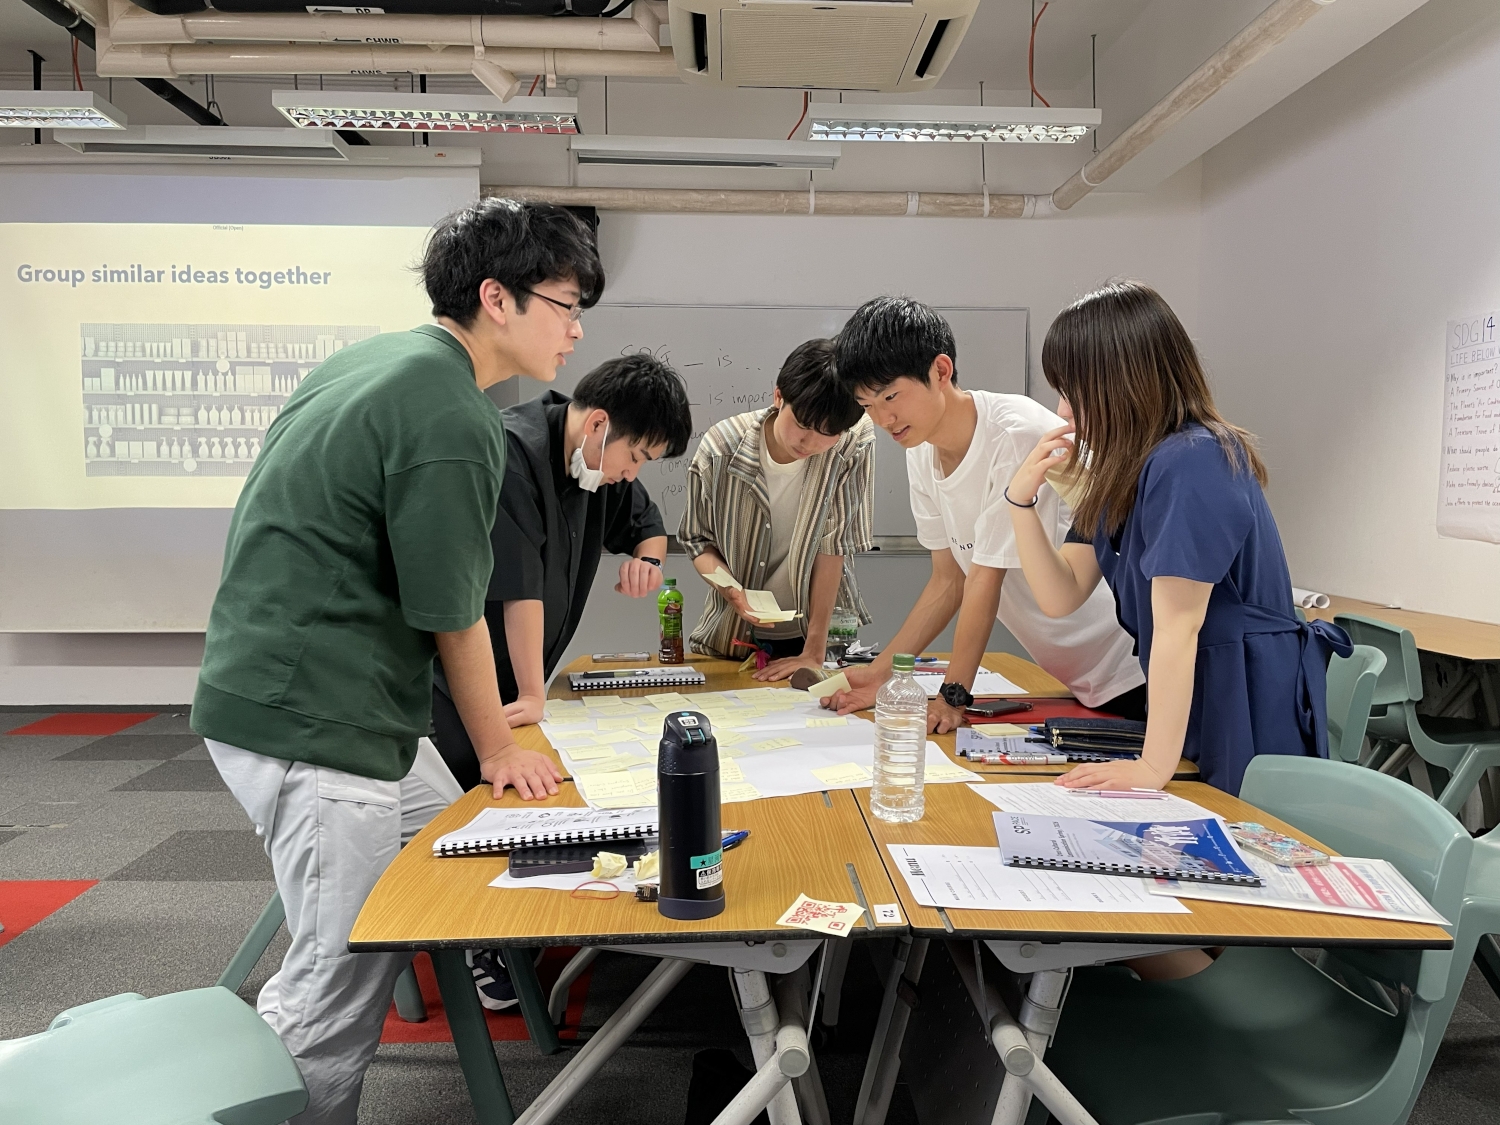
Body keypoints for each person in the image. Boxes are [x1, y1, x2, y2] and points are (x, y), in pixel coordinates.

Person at [191, 197, 599, 1125]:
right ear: (497, 298)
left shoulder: (381, 360)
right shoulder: (454, 414)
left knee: (459, 834)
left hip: (309, 689)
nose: (575, 330)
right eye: (566, 305)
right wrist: (499, 745)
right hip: (316, 716)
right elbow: (454, 614)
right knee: (337, 984)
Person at [1004, 280, 1350, 795]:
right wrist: (1020, 503)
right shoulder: (1128, 471)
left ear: (1122, 381)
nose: (1063, 412)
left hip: (1245, 700)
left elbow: (1177, 627)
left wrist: (1151, 767)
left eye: (1073, 391)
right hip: (1196, 700)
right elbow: (1061, 594)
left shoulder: (1193, 458)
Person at [825, 297, 1145, 733]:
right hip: (1079, 680)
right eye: (867, 406)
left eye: (891, 396)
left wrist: (952, 696)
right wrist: (881, 673)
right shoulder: (920, 449)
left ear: (941, 371)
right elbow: (948, 580)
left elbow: (983, 579)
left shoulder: (1015, 433)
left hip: (1130, 662)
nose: (884, 418)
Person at [430, 353, 694, 791]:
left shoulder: (598, 466)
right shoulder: (511, 452)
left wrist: (648, 563)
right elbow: (520, 591)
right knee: (470, 794)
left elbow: (648, 527)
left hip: (522, 680)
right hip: (458, 684)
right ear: (598, 424)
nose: (632, 473)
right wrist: (534, 694)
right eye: (635, 456)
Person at [680, 338, 875, 681]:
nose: (810, 443)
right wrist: (734, 593)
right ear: (778, 397)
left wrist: (813, 653)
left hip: (820, 640)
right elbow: (697, 540)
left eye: (828, 433)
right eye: (802, 424)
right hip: (735, 638)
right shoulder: (720, 450)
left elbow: (833, 546)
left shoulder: (853, 441)